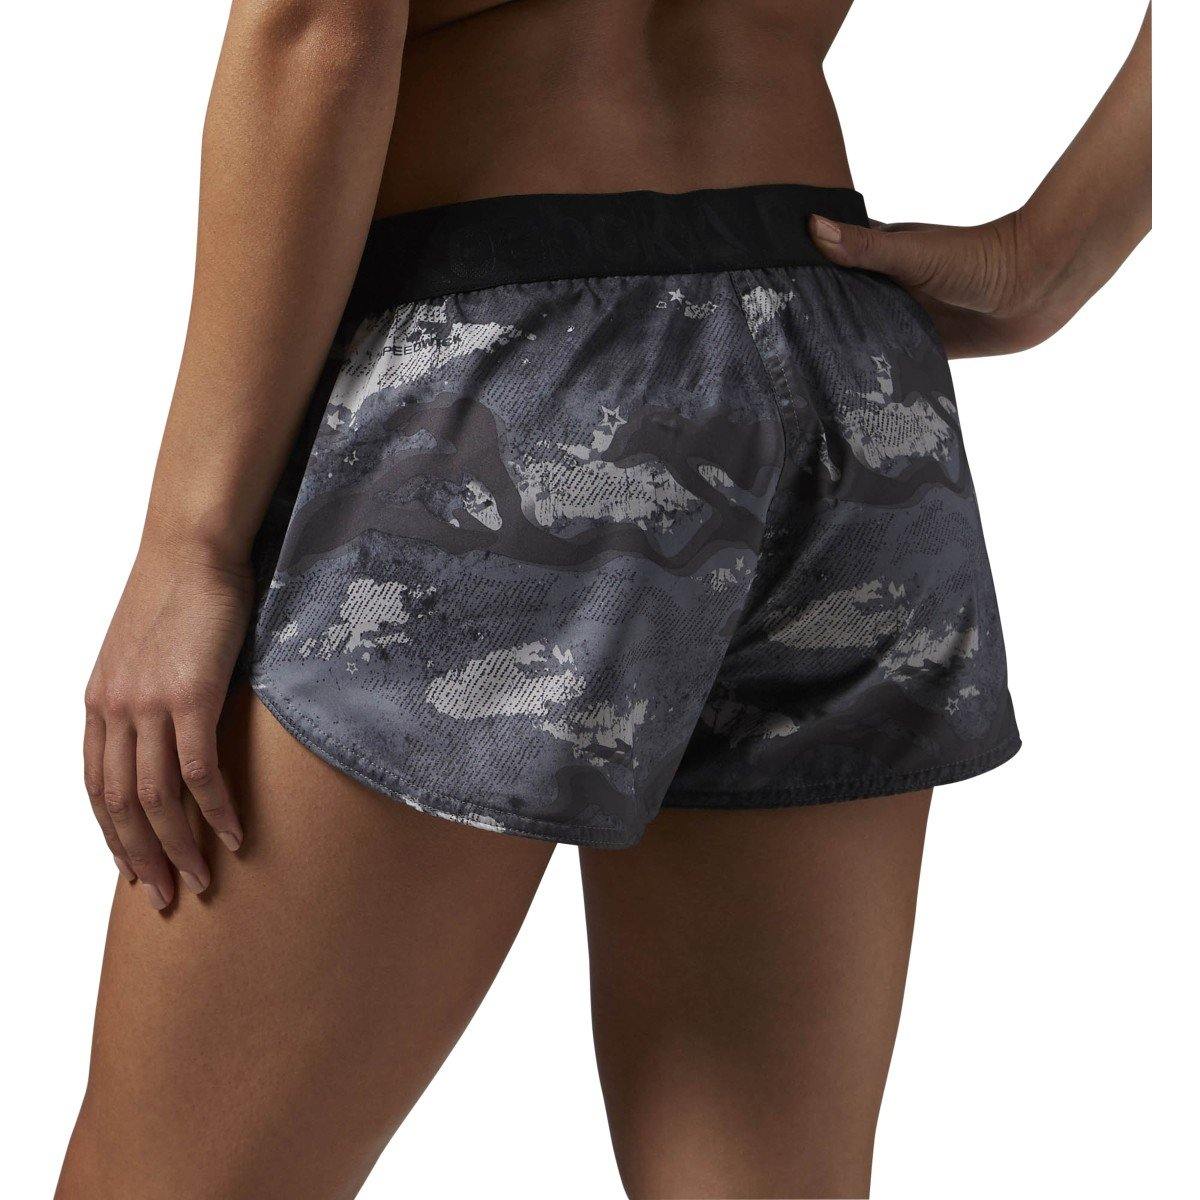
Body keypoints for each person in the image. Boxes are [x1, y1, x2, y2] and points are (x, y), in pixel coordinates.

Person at [57, 2, 1150, 1197]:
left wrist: (191, 542)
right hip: (842, 362)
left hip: (508, 378)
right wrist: (1056, 254)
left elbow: (323, 24)